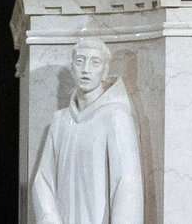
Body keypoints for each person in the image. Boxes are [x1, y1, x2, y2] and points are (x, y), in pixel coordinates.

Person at [32, 38, 144, 224]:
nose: (86, 69)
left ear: (105, 71)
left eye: (95, 62)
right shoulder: (60, 121)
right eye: (80, 61)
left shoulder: (115, 117)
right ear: (72, 67)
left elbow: (127, 184)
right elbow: (43, 181)